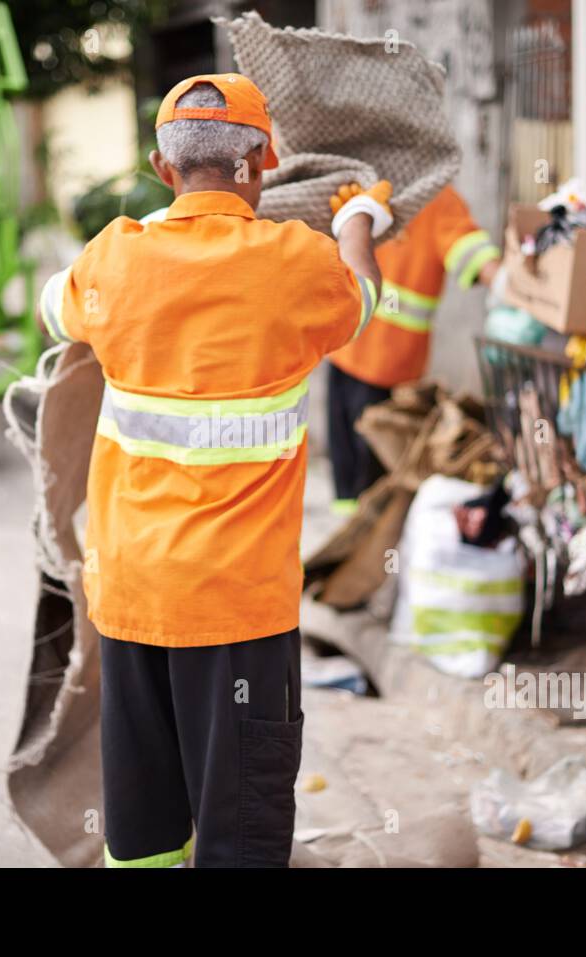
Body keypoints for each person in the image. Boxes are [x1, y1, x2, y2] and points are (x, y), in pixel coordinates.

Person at [35, 73, 390, 867]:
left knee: (145, 834)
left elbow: (51, 306)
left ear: (163, 169)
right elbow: (364, 292)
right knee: (240, 836)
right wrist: (362, 218)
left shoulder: (116, 257)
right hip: (238, 613)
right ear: (261, 161)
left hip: (129, 601)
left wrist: (160, 227)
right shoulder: (298, 264)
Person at [325, 185, 502, 511]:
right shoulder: (365, 178)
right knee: (347, 472)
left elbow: (466, 247)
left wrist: (505, 281)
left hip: (387, 362)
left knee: (370, 472)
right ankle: (349, 544)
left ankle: (365, 541)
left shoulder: (435, 197)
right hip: (345, 347)